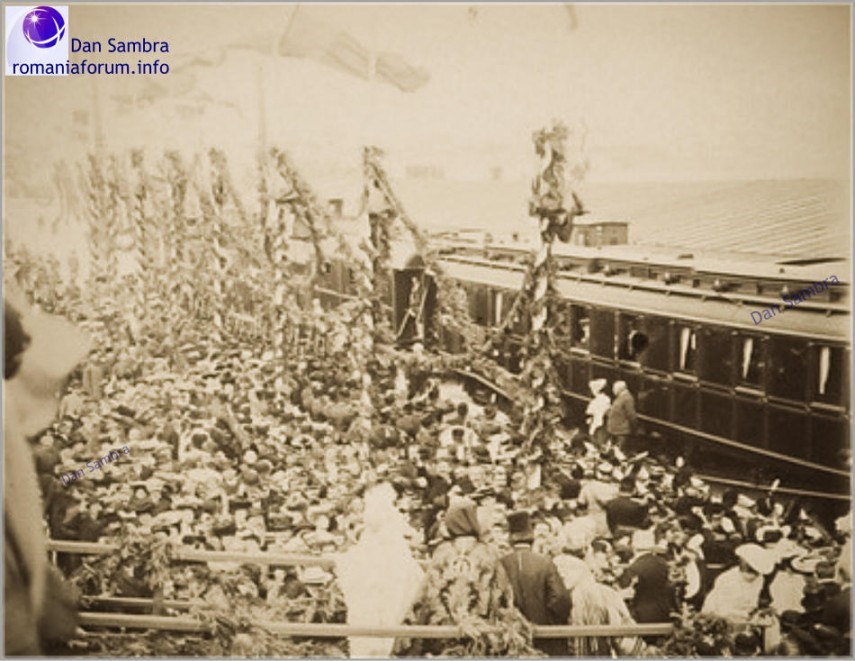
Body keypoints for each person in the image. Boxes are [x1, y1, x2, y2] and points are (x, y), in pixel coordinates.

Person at [394, 500, 537, 657]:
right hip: (478, 637)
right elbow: (503, 595)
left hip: (443, 636)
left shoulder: (442, 552)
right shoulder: (488, 552)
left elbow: (425, 595)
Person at [499, 511, 571, 657]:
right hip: (543, 636)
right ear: (531, 536)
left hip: (510, 637)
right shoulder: (544, 562)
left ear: (510, 538)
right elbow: (561, 599)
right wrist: (550, 620)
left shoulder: (500, 564)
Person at [702, 543, 776, 623]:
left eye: (755, 573)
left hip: (745, 617)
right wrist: (745, 615)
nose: (752, 577)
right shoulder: (727, 579)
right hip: (719, 617)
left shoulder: (760, 579)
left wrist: (755, 613)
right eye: (750, 571)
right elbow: (722, 610)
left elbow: (752, 602)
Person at [606, 380, 636, 453]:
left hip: (621, 430)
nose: (613, 390)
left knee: (619, 452)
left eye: (614, 388)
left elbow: (631, 414)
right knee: (613, 450)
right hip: (615, 429)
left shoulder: (627, 398)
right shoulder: (620, 397)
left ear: (620, 389)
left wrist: (633, 427)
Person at [585, 378, 610, 448]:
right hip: (602, 423)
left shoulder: (595, 401)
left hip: (597, 423)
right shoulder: (607, 399)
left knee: (596, 440)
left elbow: (589, 411)